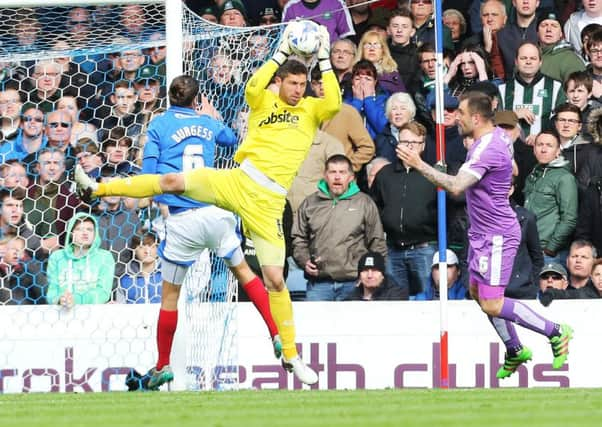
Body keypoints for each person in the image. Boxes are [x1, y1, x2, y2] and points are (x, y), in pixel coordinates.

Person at [75, 24, 340, 385]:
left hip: (269, 203)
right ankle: (97, 189)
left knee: (276, 279)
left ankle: (291, 356)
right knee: (171, 181)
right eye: (290, 83)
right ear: (280, 83)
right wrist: (280, 50)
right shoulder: (264, 101)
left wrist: (323, 57)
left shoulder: (311, 110)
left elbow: (335, 102)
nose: (296, 90)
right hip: (237, 181)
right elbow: (252, 86)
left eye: (301, 84)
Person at [397, 90, 573, 379]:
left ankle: (555, 332)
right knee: (477, 293)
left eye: (461, 115)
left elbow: (456, 187)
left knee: (492, 301)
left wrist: (419, 165)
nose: (456, 120)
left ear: (476, 118)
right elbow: (512, 167)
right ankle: (515, 349)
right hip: (481, 233)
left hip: (497, 234)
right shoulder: (498, 138)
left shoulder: (486, 148)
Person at [291, 154, 387, 301]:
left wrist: (370, 276)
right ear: (325, 175)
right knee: (315, 324)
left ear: (351, 177)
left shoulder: (364, 203)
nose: (337, 177)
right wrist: (304, 260)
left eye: (342, 172)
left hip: (354, 283)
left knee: (354, 324)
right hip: (319, 284)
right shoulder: (310, 203)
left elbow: (377, 242)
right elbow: (298, 238)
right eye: (332, 172)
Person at [371, 121, 437, 297]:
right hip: (393, 249)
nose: (407, 147)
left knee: (427, 298)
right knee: (394, 300)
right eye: (403, 142)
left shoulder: (433, 174)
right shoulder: (385, 174)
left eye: (413, 143)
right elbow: (374, 208)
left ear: (422, 146)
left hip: (424, 249)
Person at [523, 131, 578, 265]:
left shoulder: (564, 178)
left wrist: (551, 248)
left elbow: (569, 218)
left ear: (558, 151)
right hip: (527, 248)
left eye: (549, 145)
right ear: (534, 149)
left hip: (547, 252)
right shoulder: (533, 175)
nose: (543, 149)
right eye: (540, 144)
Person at [46, 213, 115, 307]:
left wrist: (76, 299)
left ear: (95, 233)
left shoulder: (105, 257)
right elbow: (52, 291)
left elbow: (103, 292)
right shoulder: (57, 257)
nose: (85, 233)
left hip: (93, 314)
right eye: (79, 229)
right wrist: (60, 299)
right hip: (62, 313)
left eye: (89, 229)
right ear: (71, 233)